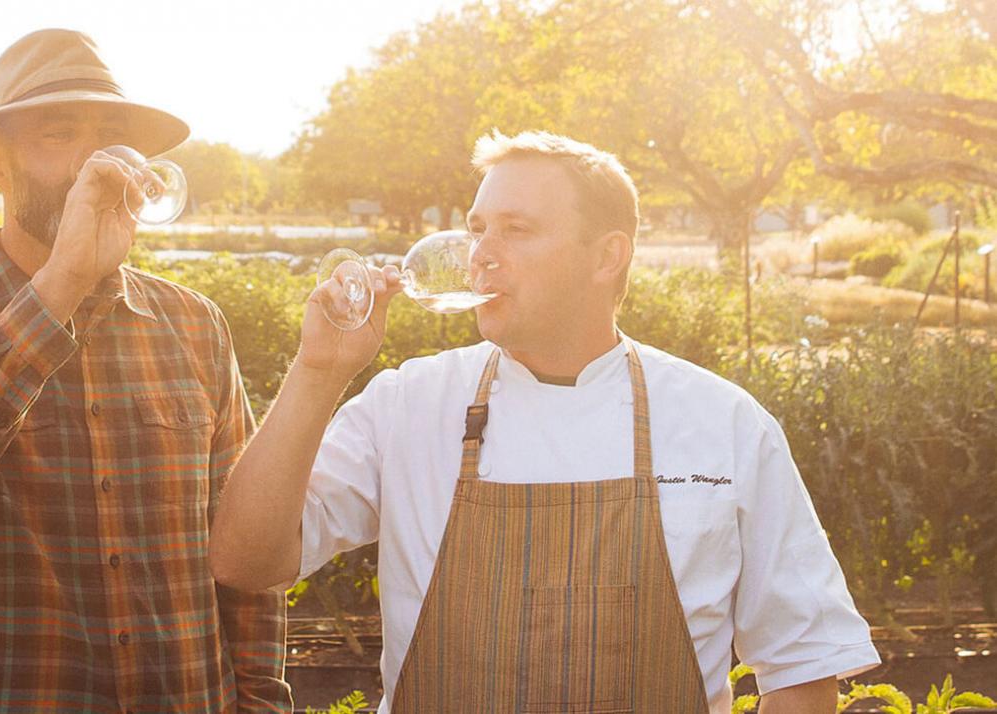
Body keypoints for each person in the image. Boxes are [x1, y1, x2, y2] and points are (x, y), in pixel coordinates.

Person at [209, 130, 880, 713]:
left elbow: (805, 668)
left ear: (606, 256)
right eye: (477, 229)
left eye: (516, 229)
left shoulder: (725, 423)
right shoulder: (408, 404)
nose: (481, 253)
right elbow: (246, 558)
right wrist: (320, 370)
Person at [0, 29, 290, 713]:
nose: (97, 166)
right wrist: (58, 288)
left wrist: (261, 704)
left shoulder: (194, 323)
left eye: (111, 140)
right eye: (61, 136)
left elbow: (244, 547)